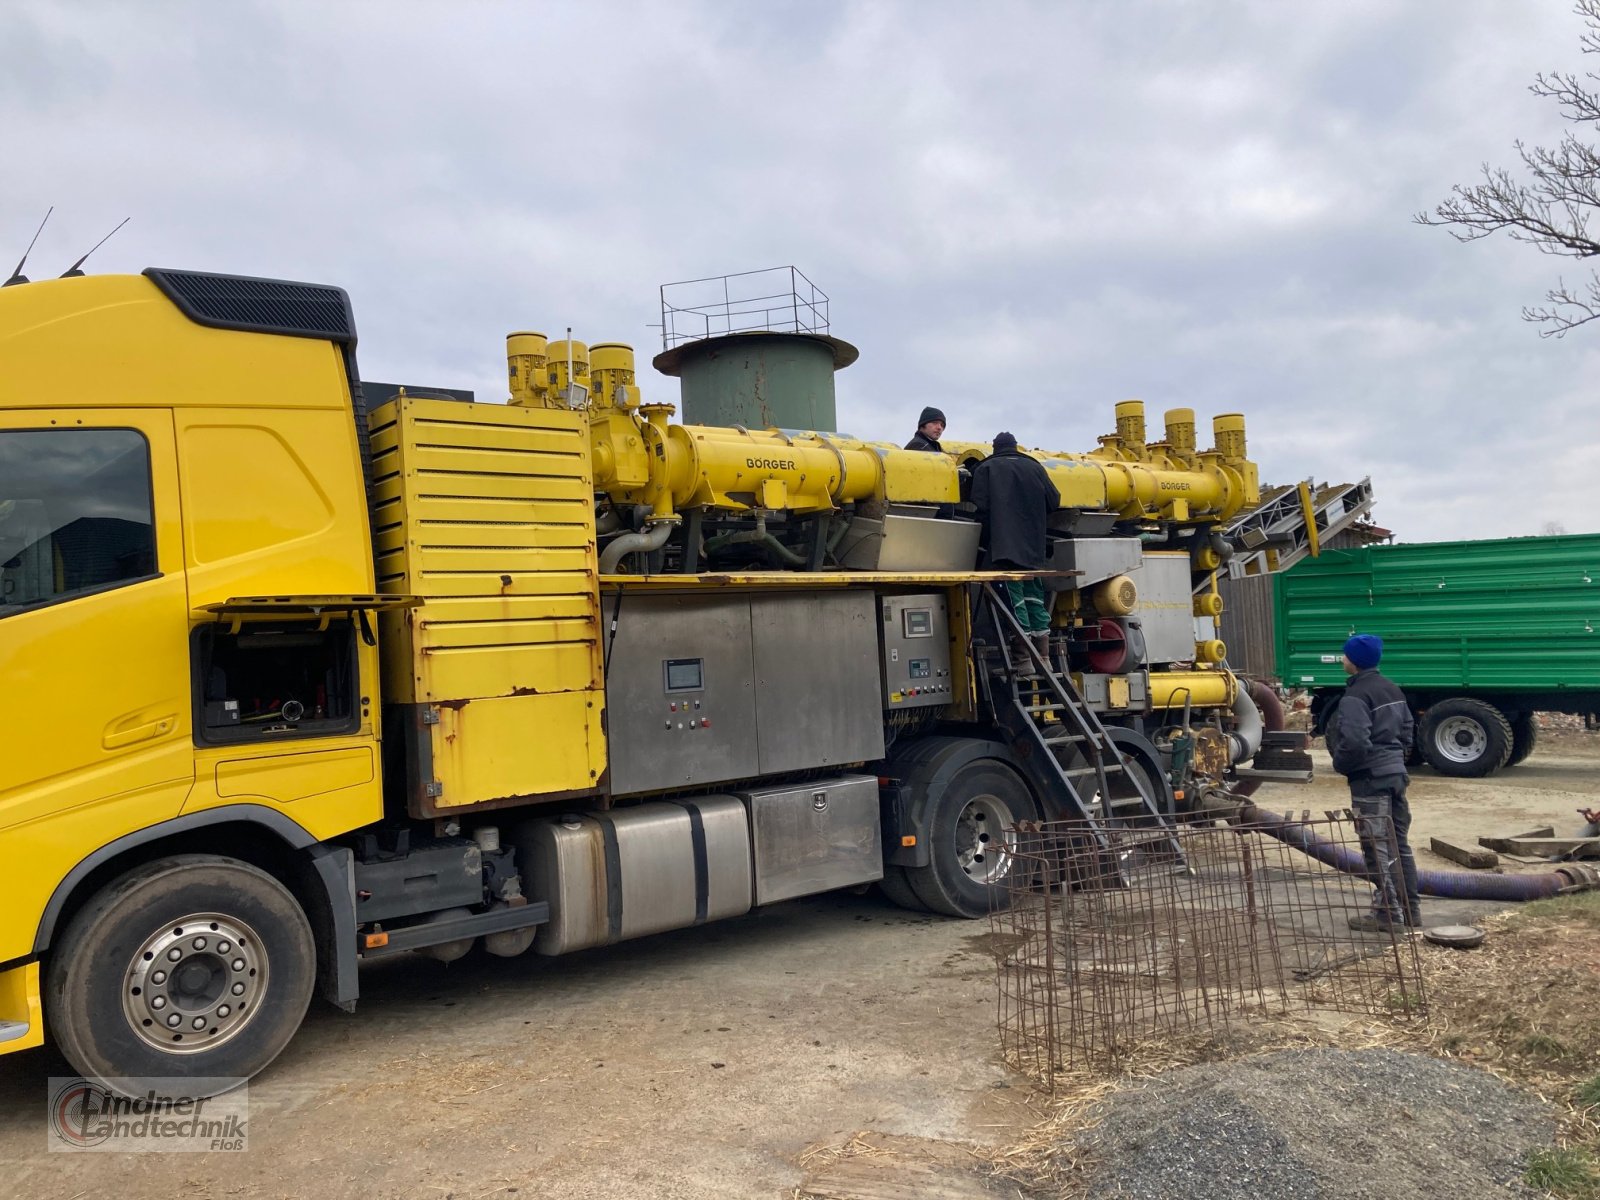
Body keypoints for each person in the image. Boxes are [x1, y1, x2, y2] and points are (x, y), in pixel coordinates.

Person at [1328, 633, 1421, 932]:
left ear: (1353, 661)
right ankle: (1411, 912)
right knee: (1399, 844)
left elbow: (1354, 740)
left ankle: (1388, 915)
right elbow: (1408, 732)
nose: (1342, 659)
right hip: (1395, 775)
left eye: (1344, 655)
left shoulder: (1356, 696)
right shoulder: (1392, 689)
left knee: (1375, 847)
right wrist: (1395, 758)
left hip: (1370, 779)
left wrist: (1341, 765)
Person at [970, 432, 1060, 660]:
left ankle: (1024, 658)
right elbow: (1054, 500)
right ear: (1015, 447)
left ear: (995, 448)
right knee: (1035, 600)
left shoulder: (986, 468)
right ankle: (1044, 657)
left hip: (1005, 549)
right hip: (1034, 549)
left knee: (1015, 601)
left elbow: (979, 505)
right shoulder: (1035, 467)